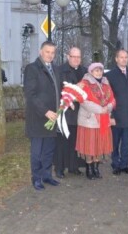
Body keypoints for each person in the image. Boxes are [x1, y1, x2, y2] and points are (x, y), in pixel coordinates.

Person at [23, 41, 62, 191]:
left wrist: (69, 99)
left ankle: (47, 175)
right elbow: (30, 94)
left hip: (53, 118)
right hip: (39, 118)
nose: (50, 55)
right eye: (47, 52)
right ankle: (36, 178)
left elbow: (59, 90)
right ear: (41, 52)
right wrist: (45, 111)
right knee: (37, 152)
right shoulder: (32, 69)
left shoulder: (56, 69)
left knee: (48, 150)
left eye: (53, 52)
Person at [76, 62, 115, 180]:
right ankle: (89, 168)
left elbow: (112, 99)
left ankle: (96, 168)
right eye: (96, 70)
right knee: (90, 146)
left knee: (99, 146)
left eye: (100, 70)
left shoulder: (106, 83)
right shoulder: (84, 83)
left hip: (103, 120)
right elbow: (83, 100)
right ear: (91, 72)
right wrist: (100, 109)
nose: (99, 72)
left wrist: (107, 108)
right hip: (89, 120)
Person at [105, 49, 128, 175]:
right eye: (121, 57)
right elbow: (108, 97)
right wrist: (111, 115)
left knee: (126, 143)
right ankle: (115, 164)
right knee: (115, 142)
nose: (124, 59)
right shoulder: (109, 75)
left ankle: (125, 165)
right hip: (116, 115)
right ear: (116, 59)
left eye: (126, 57)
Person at [53, 47, 87, 178]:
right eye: (74, 57)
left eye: (79, 57)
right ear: (68, 57)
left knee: (75, 141)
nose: (76, 59)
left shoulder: (84, 71)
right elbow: (58, 90)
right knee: (62, 142)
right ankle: (59, 168)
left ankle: (74, 166)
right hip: (66, 112)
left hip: (80, 113)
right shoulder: (60, 70)